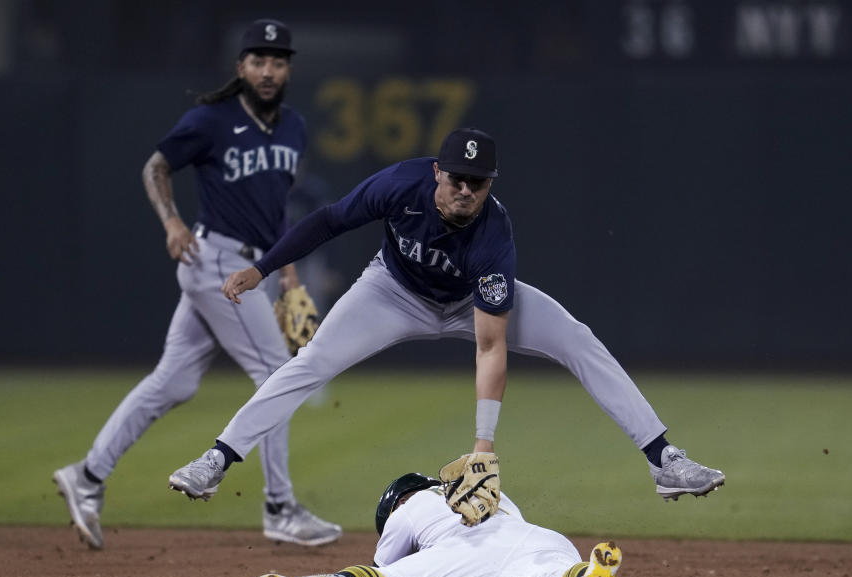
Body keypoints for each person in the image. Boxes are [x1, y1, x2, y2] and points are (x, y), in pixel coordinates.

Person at [167, 127, 725, 508]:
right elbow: (329, 222)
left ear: (490, 184)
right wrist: (263, 270)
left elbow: (489, 347)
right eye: (455, 176)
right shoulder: (397, 186)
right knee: (312, 361)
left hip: (467, 305)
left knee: (578, 341)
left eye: (476, 182)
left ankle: (663, 461)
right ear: (436, 172)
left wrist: (483, 445)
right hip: (392, 291)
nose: (464, 188)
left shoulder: (493, 240)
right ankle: (216, 459)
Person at [52, 18, 341, 550]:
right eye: (258, 60)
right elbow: (156, 167)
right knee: (278, 375)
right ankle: (280, 507)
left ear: (288, 68)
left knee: (173, 381)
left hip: (254, 263)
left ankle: (87, 476)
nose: (268, 69)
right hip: (216, 260)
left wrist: (288, 268)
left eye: (277, 61)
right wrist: (171, 222)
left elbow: (274, 203)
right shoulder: (211, 120)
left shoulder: (294, 126)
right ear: (241, 67)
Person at [239, 472, 623, 577]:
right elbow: (507, 531)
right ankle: (581, 573)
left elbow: (383, 568)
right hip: (537, 537)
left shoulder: (406, 509)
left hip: (461, 557)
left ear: (395, 502)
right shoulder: (472, 488)